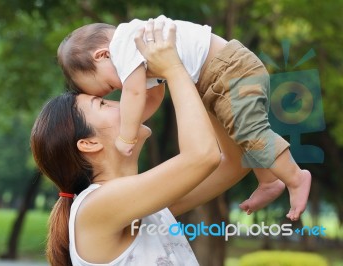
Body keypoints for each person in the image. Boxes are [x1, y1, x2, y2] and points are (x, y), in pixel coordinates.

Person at [56, 15, 311, 221]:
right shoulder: (135, 52)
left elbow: (135, 93)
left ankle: (296, 177)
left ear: (101, 55)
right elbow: (151, 98)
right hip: (214, 78)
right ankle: (269, 180)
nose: (118, 93)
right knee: (243, 132)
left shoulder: (124, 47)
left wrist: (126, 135)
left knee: (250, 131)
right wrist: (130, 126)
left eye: (107, 91)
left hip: (228, 69)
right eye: (104, 100)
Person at [31, 22, 227, 265]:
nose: (122, 101)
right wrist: (176, 69)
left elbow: (236, 163)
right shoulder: (96, 207)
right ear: (89, 143)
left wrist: (200, 76)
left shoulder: (145, 205)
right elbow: (203, 157)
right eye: (102, 104)